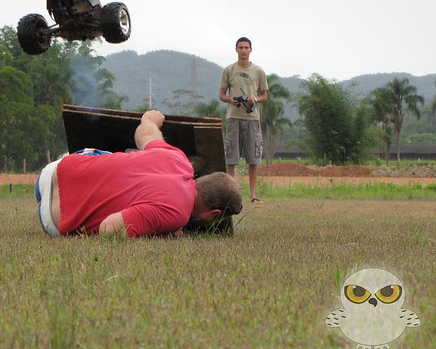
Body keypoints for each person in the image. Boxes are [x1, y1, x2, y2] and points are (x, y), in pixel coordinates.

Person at [35, 110, 243, 237]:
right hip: (53, 219)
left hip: (54, 171)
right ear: (213, 214)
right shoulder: (176, 215)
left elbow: (145, 135)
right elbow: (109, 229)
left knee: (112, 157)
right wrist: (162, 233)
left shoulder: (179, 160)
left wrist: (149, 120)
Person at [219, 37, 268, 204]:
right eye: (240, 47)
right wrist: (230, 99)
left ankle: (253, 195)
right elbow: (221, 95)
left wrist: (255, 99)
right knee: (231, 157)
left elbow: (264, 95)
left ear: (251, 50)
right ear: (236, 50)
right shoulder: (228, 70)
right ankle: (229, 194)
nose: (243, 50)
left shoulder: (259, 71)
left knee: (253, 158)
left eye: (246, 47)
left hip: (252, 119)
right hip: (234, 117)